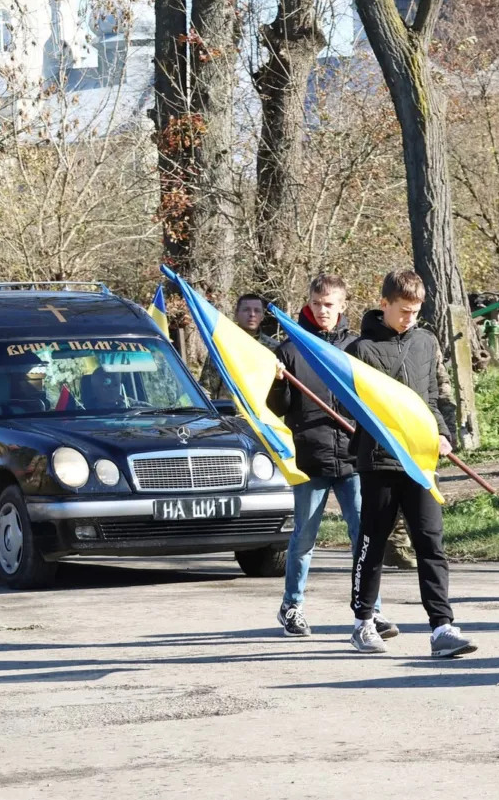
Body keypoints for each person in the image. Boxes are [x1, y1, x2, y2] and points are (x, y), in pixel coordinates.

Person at [346, 269, 476, 658]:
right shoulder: (360, 348)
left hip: (419, 461)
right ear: (383, 303)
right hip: (378, 460)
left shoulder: (426, 341)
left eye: (415, 311)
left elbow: (434, 396)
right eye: (403, 311)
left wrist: (443, 432)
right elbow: (350, 401)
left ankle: (441, 628)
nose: (409, 318)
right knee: (373, 544)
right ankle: (363, 622)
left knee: (430, 543)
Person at [266, 274, 397, 639]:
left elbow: (374, 398)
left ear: (342, 306)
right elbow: (276, 408)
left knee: (364, 538)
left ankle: (371, 611)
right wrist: (278, 382)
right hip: (310, 457)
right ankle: (291, 607)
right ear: (308, 302)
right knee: (304, 538)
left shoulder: (358, 347)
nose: (322, 311)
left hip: (355, 458)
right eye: (316, 303)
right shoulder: (291, 349)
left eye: (329, 304)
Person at [200, 294, 277, 399]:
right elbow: (207, 388)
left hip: (262, 413)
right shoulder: (223, 345)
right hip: (229, 412)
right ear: (236, 314)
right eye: (246, 310)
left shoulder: (273, 348)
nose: (252, 314)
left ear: (263, 316)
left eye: (257, 311)